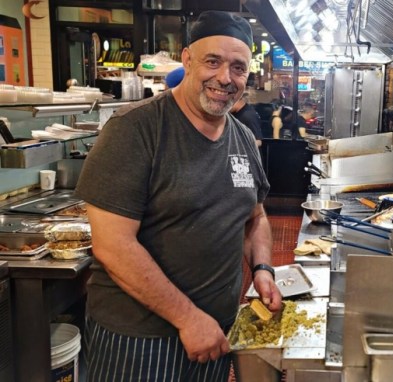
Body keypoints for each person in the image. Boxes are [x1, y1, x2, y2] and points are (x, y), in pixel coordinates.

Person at [75, 10, 282, 381]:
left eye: (238, 67)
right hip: (138, 341)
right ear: (187, 60)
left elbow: (256, 217)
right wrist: (188, 319)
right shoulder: (135, 129)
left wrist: (263, 269)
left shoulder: (242, 138)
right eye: (212, 62)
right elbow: (111, 244)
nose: (225, 77)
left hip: (215, 332)